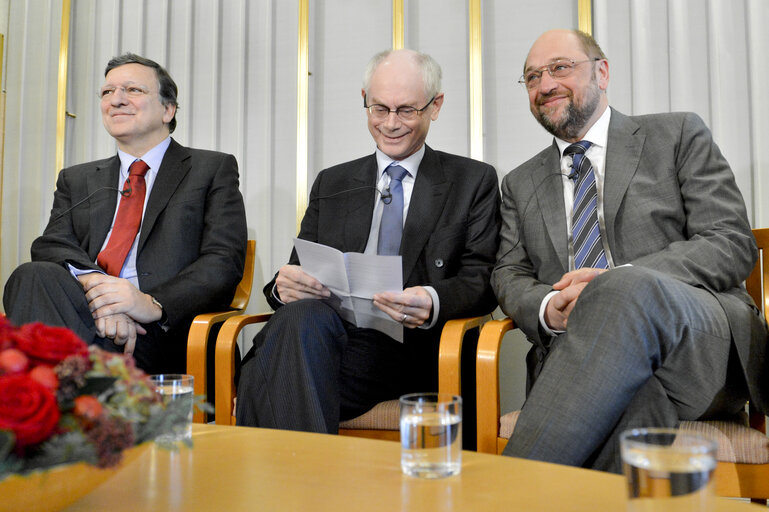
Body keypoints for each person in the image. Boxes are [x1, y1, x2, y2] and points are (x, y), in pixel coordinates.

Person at [493, 29, 768, 472]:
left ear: (602, 71)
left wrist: (618, 280)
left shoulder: (677, 134)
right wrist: (548, 307)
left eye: (560, 68)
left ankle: (504, 495)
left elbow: (730, 242)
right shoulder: (519, 184)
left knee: (621, 290)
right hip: (582, 359)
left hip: (696, 348)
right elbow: (508, 273)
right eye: (531, 77)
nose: (544, 85)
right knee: (632, 400)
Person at [236, 49, 500, 433]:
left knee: (273, 372)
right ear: (364, 102)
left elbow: (481, 279)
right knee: (300, 314)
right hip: (323, 338)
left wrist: (430, 299)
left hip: (408, 349)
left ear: (435, 106)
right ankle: (302, 477)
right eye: (379, 109)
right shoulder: (333, 181)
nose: (391, 124)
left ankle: (284, 477)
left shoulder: (471, 181)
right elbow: (299, 270)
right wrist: (283, 287)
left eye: (406, 110)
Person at [3, 53, 247, 374]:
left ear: (167, 110)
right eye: (107, 92)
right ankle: (93, 409)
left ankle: (63, 412)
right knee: (31, 275)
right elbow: (50, 245)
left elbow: (222, 262)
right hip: (87, 317)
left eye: (133, 90)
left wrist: (149, 304)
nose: (116, 100)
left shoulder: (211, 169)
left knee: (34, 348)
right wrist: (102, 292)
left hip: (160, 333)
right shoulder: (77, 179)